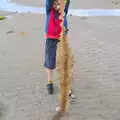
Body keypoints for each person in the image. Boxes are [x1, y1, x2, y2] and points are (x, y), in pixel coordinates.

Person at [44, 0, 70, 94]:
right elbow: (48, 1)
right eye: (55, 3)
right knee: (50, 62)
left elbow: (67, 2)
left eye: (59, 3)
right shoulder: (49, 10)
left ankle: (65, 83)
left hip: (61, 39)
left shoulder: (64, 12)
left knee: (63, 61)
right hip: (50, 39)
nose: (57, 6)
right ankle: (49, 82)